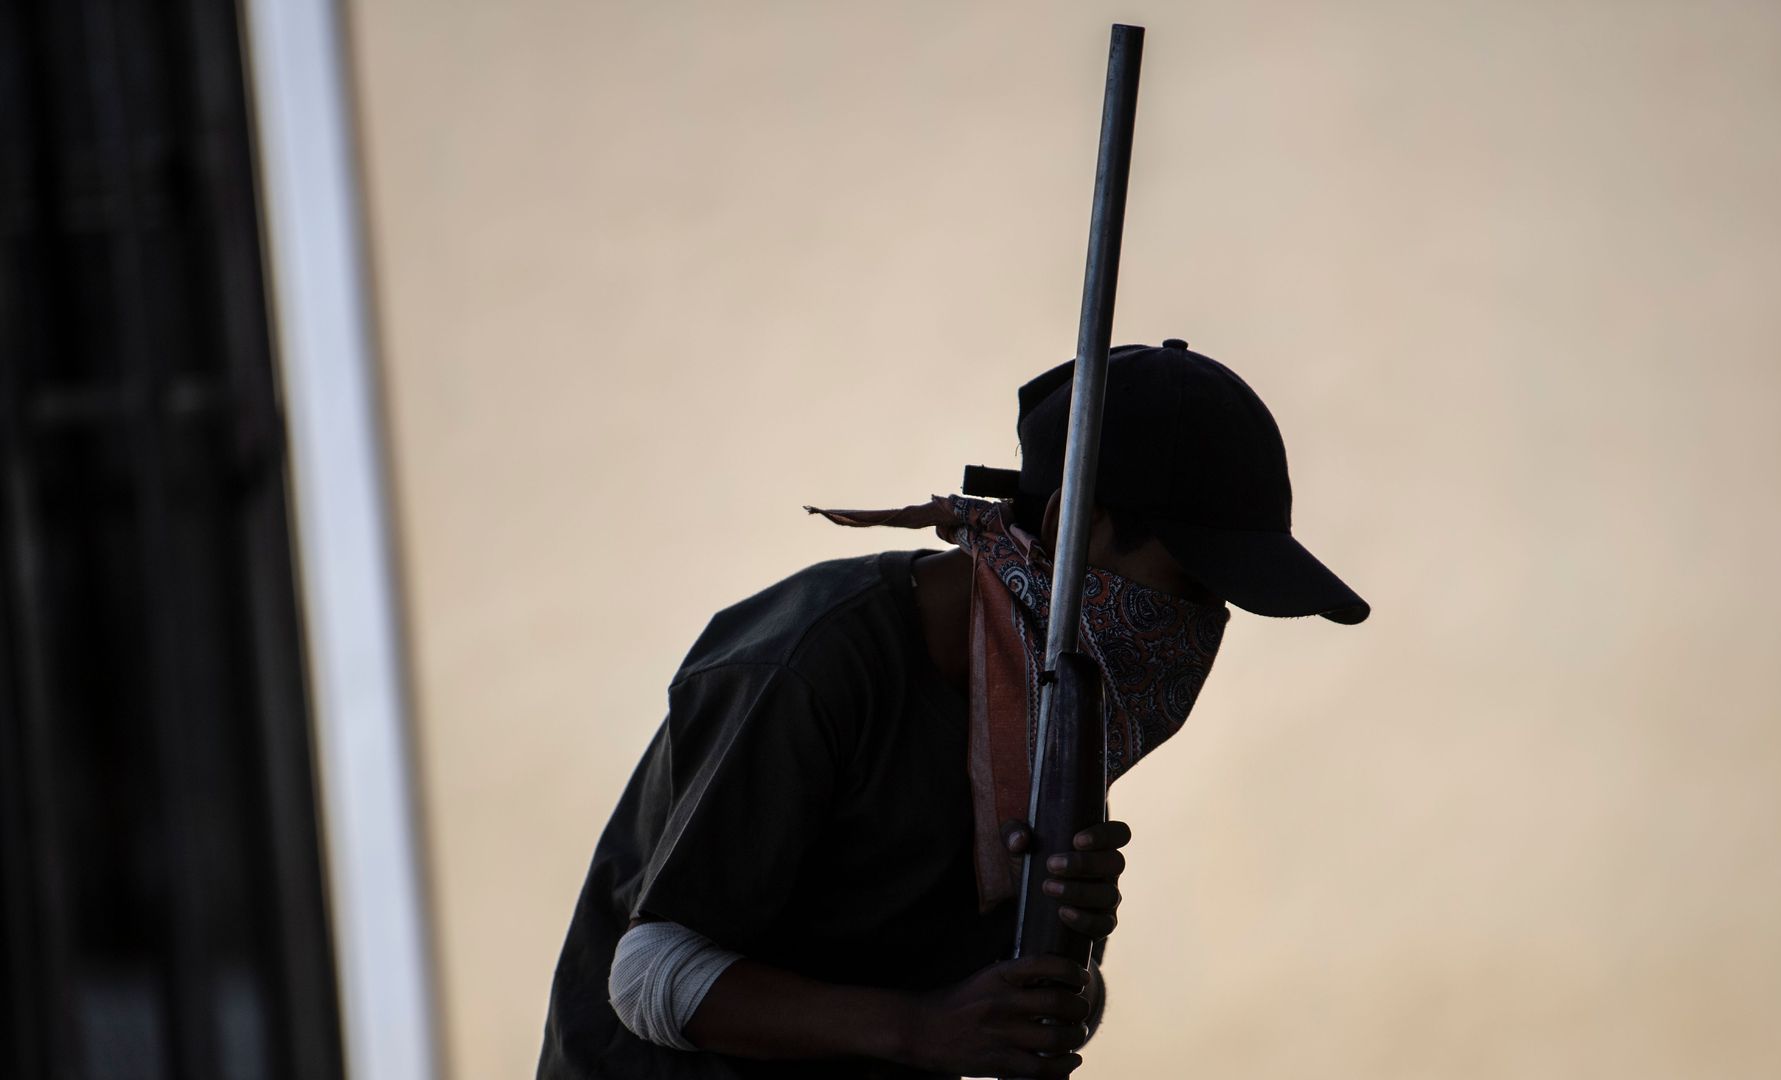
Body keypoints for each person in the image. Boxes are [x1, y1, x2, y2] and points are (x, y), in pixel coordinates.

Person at [535, 340, 1369, 1079]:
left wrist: (1062, 969)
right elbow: (646, 973)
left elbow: (992, 1013)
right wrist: (919, 1031)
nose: (1199, 624)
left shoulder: (1058, 704)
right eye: (1194, 580)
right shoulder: (811, 666)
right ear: (1075, 528)